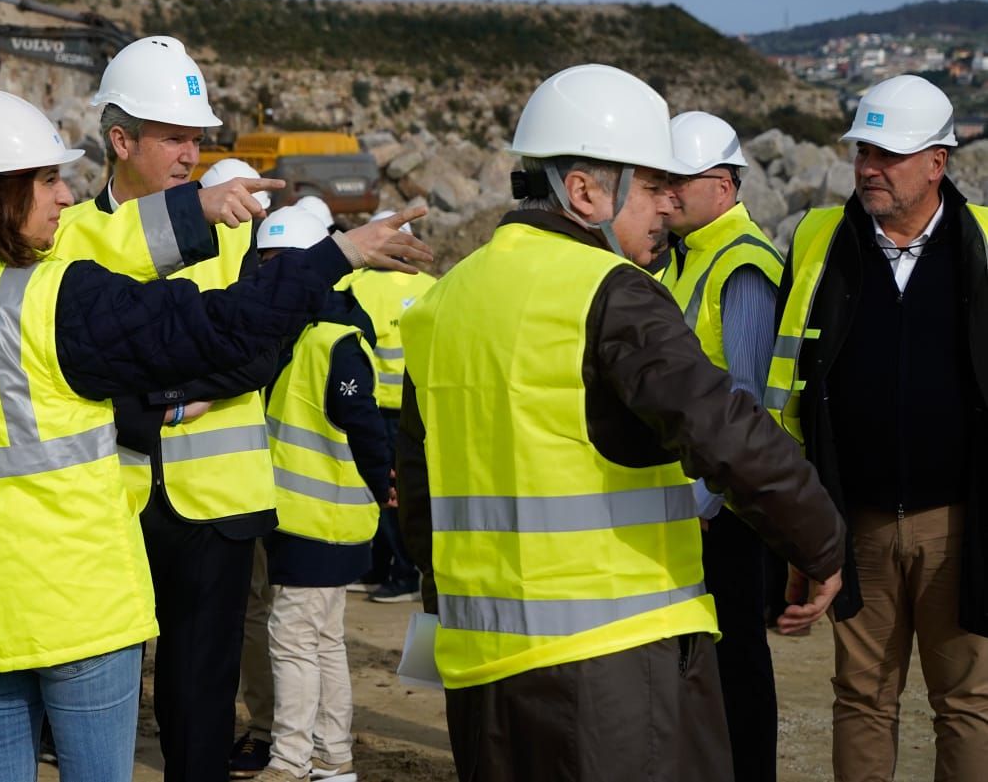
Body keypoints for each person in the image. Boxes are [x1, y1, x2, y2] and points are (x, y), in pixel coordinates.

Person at [0, 88, 429, 782]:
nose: (61, 194)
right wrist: (335, 255)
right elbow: (223, 327)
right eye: (45, 178)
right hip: (78, 606)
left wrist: (192, 209)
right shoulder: (51, 299)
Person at [396, 63, 847, 782]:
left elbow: (420, 509)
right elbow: (724, 427)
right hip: (616, 674)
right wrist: (820, 541)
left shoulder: (442, 301)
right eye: (653, 185)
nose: (668, 207)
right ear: (584, 190)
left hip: (482, 676)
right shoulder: (613, 293)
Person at [52, 36, 278, 782]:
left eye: (197, 138)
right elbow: (68, 363)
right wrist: (179, 395)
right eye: (175, 137)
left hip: (216, 506)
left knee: (199, 697)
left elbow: (258, 347)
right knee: (100, 687)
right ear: (121, 140)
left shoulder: (233, 227)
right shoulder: (69, 235)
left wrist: (154, 390)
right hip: (108, 500)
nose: (191, 154)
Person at [766, 74, 988, 781]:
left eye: (888, 154)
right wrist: (802, 523)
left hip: (963, 521)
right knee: (861, 699)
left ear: (937, 161)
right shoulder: (817, 241)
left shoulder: (982, 239)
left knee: (968, 702)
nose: (868, 167)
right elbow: (788, 394)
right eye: (864, 149)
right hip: (853, 522)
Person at [661, 111, 784, 782]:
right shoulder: (684, 259)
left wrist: (706, 497)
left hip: (724, 508)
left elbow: (748, 401)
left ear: (726, 185)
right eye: (663, 178)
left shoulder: (742, 264)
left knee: (736, 657)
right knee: (699, 659)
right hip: (689, 503)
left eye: (682, 179)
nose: (668, 191)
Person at [251, 207, 391, 782]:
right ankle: (332, 759)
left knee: (291, 641)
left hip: (316, 522)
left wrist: (385, 484)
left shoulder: (328, 342)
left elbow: (364, 425)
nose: (271, 275)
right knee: (324, 641)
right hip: (325, 520)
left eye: (279, 264)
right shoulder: (305, 333)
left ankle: (290, 762)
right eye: (265, 264)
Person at [339, 209, 435, 605]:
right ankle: (396, 569)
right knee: (404, 489)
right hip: (419, 407)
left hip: (370, 407)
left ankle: (393, 570)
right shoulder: (432, 286)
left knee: (379, 488)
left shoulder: (355, 286)